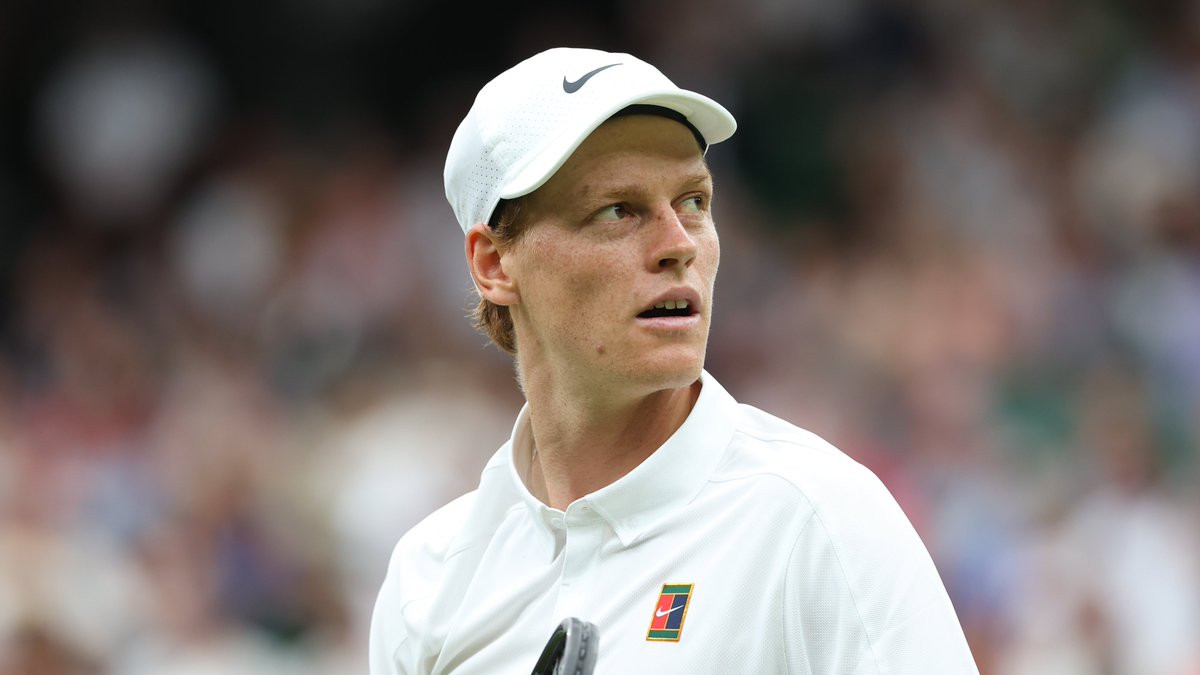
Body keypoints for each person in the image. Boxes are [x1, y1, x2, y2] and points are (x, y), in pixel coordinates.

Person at [369, 46, 978, 674]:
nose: (679, 244)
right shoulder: (427, 580)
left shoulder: (821, 520)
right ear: (494, 264)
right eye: (618, 210)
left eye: (693, 202)